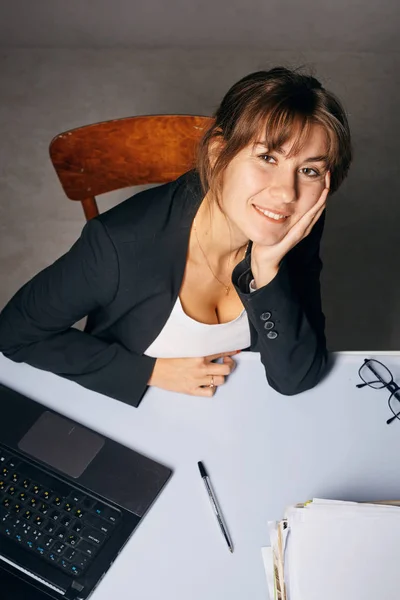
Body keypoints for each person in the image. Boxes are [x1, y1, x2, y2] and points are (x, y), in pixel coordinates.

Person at [0, 67, 352, 407]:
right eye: (267, 157)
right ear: (217, 155)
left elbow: (295, 379)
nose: (286, 193)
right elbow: (14, 333)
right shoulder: (118, 245)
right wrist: (148, 372)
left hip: (234, 409)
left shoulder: (295, 224)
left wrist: (266, 270)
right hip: (136, 411)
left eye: (308, 170)